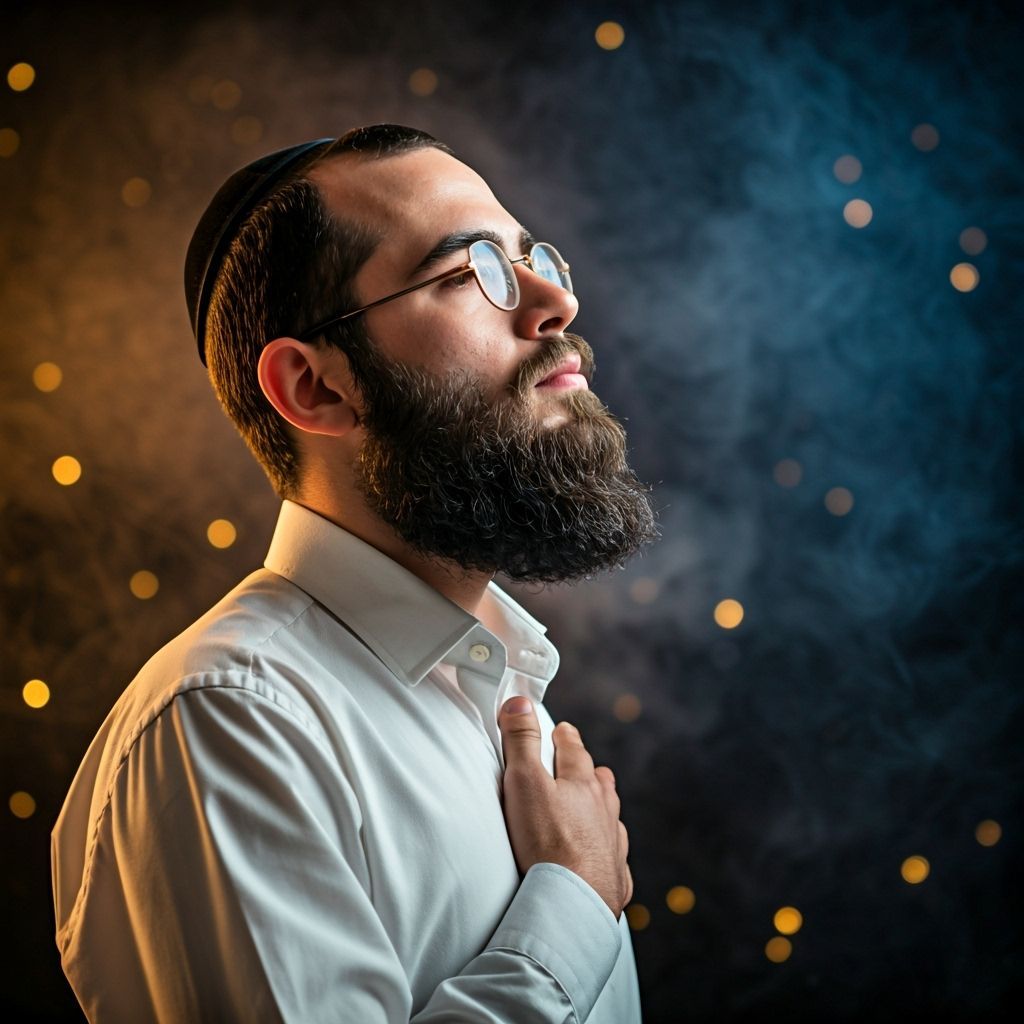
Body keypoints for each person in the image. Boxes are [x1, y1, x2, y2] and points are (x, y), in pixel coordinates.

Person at [51, 124, 657, 1022]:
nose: (550, 304)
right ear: (317, 389)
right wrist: (568, 903)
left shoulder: (494, 686)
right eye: (472, 273)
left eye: (534, 258)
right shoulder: (230, 718)